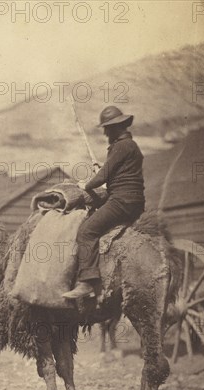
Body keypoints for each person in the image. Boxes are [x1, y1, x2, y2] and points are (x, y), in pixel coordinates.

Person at [62, 106, 145, 300]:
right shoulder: (130, 146)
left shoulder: (120, 146)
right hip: (135, 202)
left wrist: (85, 185)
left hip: (121, 201)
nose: (105, 132)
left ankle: (87, 282)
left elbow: (103, 177)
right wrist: (105, 168)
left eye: (107, 128)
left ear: (115, 127)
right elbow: (117, 172)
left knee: (86, 231)